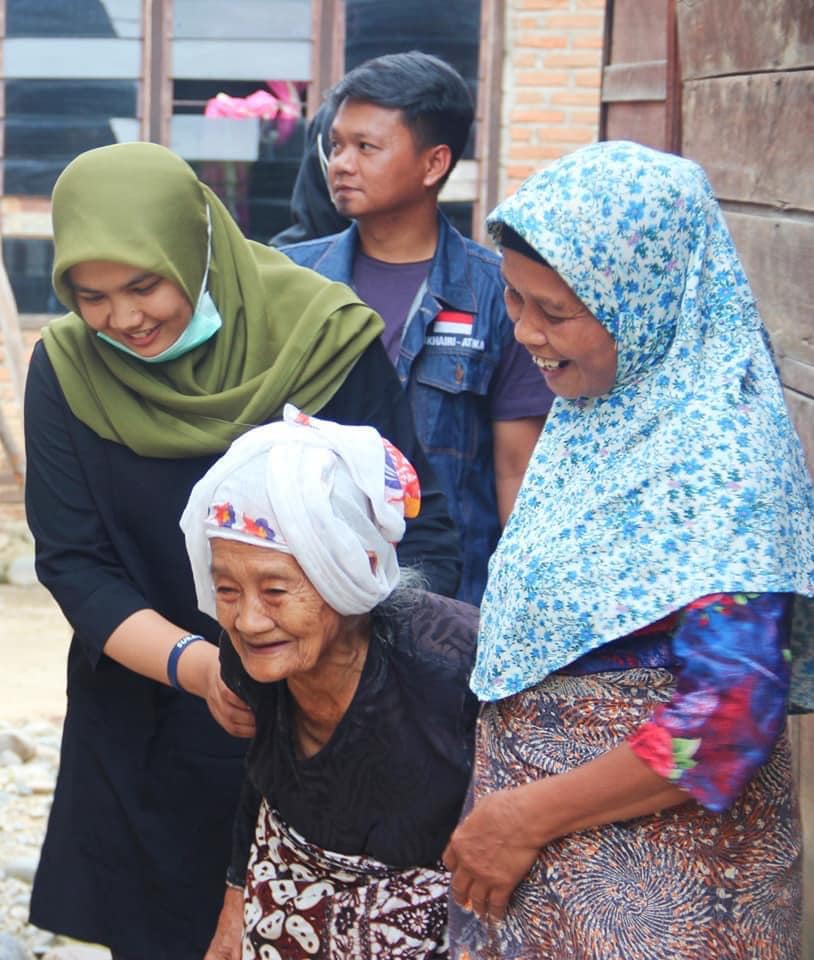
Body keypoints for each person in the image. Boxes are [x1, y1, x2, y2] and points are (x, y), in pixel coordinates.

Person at [23, 141, 462, 960]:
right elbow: (75, 562)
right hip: (157, 705)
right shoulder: (69, 369)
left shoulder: (321, 337)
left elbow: (415, 522)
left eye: (144, 285)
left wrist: (357, 672)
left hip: (335, 715)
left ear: (194, 248)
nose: (124, 319)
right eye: (91, 296)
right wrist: (199, 668)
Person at [442, 140, 814, 959]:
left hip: (667, 902)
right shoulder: (603, 415)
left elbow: (730, 714)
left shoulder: (724, 460)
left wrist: (523, 817)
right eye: (514, 298)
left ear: (646, 299)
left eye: (555, 311)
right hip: (550, 876)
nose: (527, 333)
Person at [180, 405, 479, 959]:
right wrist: (235, 899)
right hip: (289, 915)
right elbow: (263, 778)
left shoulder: (455, 669)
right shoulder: (251, 660)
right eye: (227, 590)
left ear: (349, 571)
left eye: (275, 591)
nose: (248, 620)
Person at [280, 51, 554, 606]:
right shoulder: (292, 279)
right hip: (308, 588)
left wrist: (518, 604)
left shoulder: (496, 294)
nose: (341, 164)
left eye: (366, 147)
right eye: (336, 145)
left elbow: (515, 469)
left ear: (434, 164)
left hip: (446, 598)